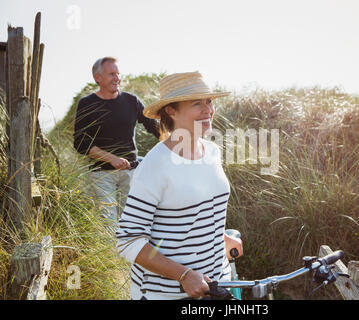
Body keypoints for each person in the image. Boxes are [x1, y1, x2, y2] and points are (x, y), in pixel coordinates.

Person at [116, 71, 243, 300]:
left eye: (209, 102)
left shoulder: (212, 151)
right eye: (197, 104)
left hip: (217, 285)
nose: (208, 110)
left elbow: (194, 212)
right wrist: (184, 275)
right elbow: (128, 241)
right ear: (171, 110)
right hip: (165, 295)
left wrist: (221, 237)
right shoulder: (155, 165)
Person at [73, 57, 160, 228]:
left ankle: (129, 255)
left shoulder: (131, 101)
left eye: (118, 74)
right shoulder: (87, 104)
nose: (117, 78)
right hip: (101, 174)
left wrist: (178, 143)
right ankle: (111, 255)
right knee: (109, 223)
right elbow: (81, 143)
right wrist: (111, 158)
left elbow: (154, 127)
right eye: (112, 74)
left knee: (131, 223)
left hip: (131, 172)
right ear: (98, 78)